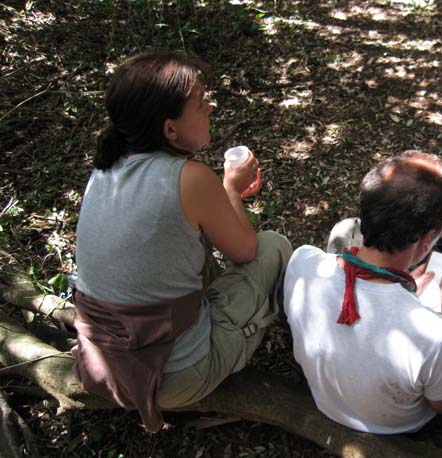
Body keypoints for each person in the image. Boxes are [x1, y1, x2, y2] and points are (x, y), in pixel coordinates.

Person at [72, 51, 292, 432]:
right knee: (274, 246)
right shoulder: (189, 178)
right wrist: (231, 190)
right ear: (170, 130)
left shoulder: (106, 167)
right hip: (176, 375)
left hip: (102, 363)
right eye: (200, 103)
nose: (210, 108)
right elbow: (246, 251)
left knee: (189, 242)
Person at [283, 151, 442, 434]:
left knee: (341, 230)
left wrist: (403, 292)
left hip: (327, 403)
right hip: (395, 426)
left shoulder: (303, 263)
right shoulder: (435, 335)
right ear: (425, 240)